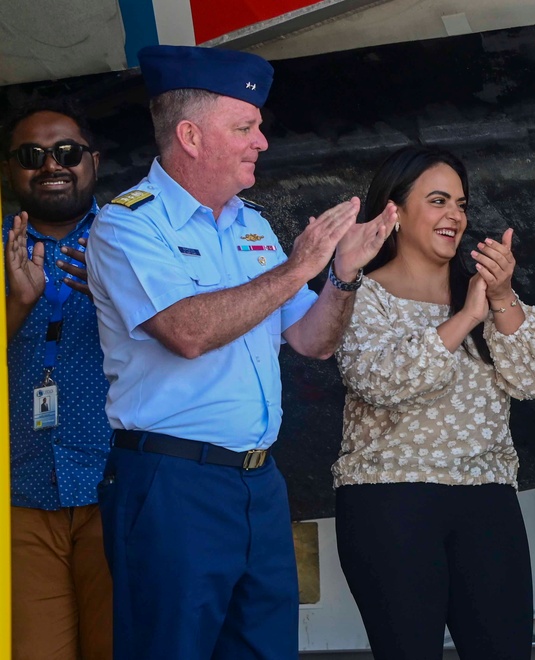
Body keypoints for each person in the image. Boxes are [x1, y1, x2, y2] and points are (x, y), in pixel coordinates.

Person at [86, 45, 396, 660]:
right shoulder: (129, 226)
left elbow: (311, 340)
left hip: (258, 484)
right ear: (191, 136)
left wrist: (341, 275)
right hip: (172, 484)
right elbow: (187, 332)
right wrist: (300, 265)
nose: (262, 141)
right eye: (245, 127)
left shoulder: (252, 224)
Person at [333, 145, 535, 659]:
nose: (455, 216)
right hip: (390, 501)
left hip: (487, 499)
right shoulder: (362, 293)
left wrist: (502, 296)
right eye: (439, 201)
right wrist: (463, 319)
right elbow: (377, 379)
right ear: (394, 212)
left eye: (461, 204)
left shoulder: (483, 288)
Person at [2, 99, 113, 660]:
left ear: (94, 161)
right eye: (32, 154)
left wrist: (119, 298)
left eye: (67, 152)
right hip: (17, 495)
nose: (52, 165)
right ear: (9, 169)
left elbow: (187, 343)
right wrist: (15, 306)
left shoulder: (136, 243)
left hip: (117, 487)